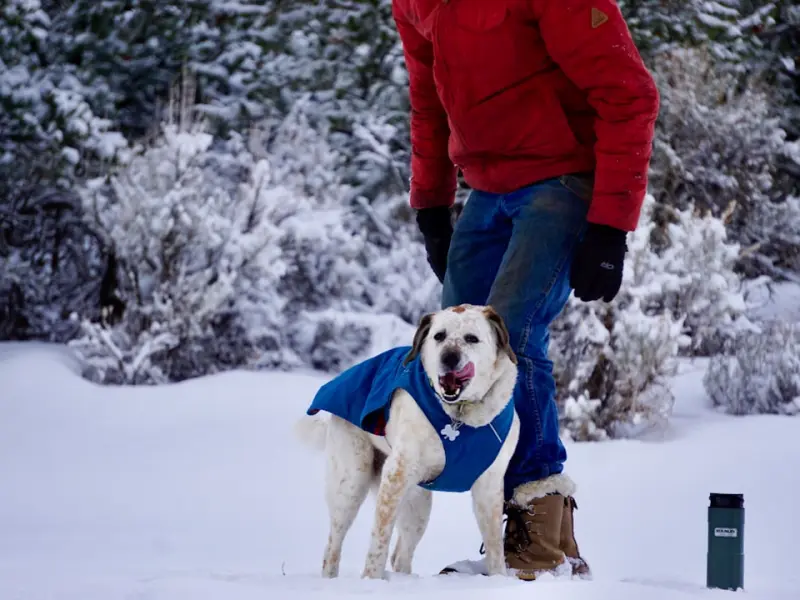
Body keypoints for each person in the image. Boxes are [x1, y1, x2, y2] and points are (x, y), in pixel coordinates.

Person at [391, 0, 660, 581]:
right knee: (452, 351)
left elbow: (628, 93)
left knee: (507, 340)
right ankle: (537, 543)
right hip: (486, 187)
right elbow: (428, 104)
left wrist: (611, 224)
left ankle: (535, 535)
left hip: (560, 176)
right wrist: (432, 205)